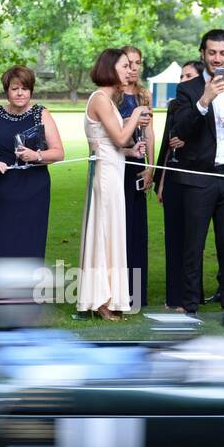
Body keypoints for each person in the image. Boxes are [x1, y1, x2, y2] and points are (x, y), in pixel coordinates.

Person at [167, 29, 224, 325]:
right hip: (198, 177)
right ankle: (191, 304)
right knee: (194, 243)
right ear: (203, 53)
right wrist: (203, 101)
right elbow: (179, 128)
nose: (217, 58)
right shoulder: (188, 88)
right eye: (211, 52)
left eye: (223, 53)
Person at [79, 49, 150, 320]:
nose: (128, 71)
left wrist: (133, 152)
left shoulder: (108, 99)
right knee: (105, 232)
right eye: (123, 66)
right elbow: (120, 138)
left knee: (113, 232)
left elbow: (115, 144)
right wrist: (134, 117)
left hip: (114, 169)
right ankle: (100, 299)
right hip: (105, 176)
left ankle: (110, 294)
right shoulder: (100, 99)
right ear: (110, 69)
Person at [0, 65, 65, 261]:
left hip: (32, 192)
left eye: (25, 88)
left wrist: (35, 155)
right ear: (7, 90)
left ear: (31, 90)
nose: (20, 93)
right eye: (15, 88)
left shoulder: (41, 114)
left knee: (28, 243)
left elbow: (58, 153)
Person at [155, 60, 201, 309]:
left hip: (197, 178)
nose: (184, 80)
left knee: (191, 241)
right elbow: (165, 144)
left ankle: (191, 295)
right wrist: (162, 180)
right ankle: (173, 297)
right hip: (173, 175)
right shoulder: (174, 106)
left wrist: (189, 142)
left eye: (190, 76)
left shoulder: (208, 104)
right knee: (173, 239)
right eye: (182, 76)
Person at [119, 45, 153, 309]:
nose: (133, 68)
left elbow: (150, 131)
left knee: (137, 230)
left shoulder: (144, 94)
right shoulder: (111, 96)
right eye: (128, 63)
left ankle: (136, 293)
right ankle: (117, 291)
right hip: (116, 163)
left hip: (137, 163)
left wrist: (151, 166)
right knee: (119, 228)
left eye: (137, 63)